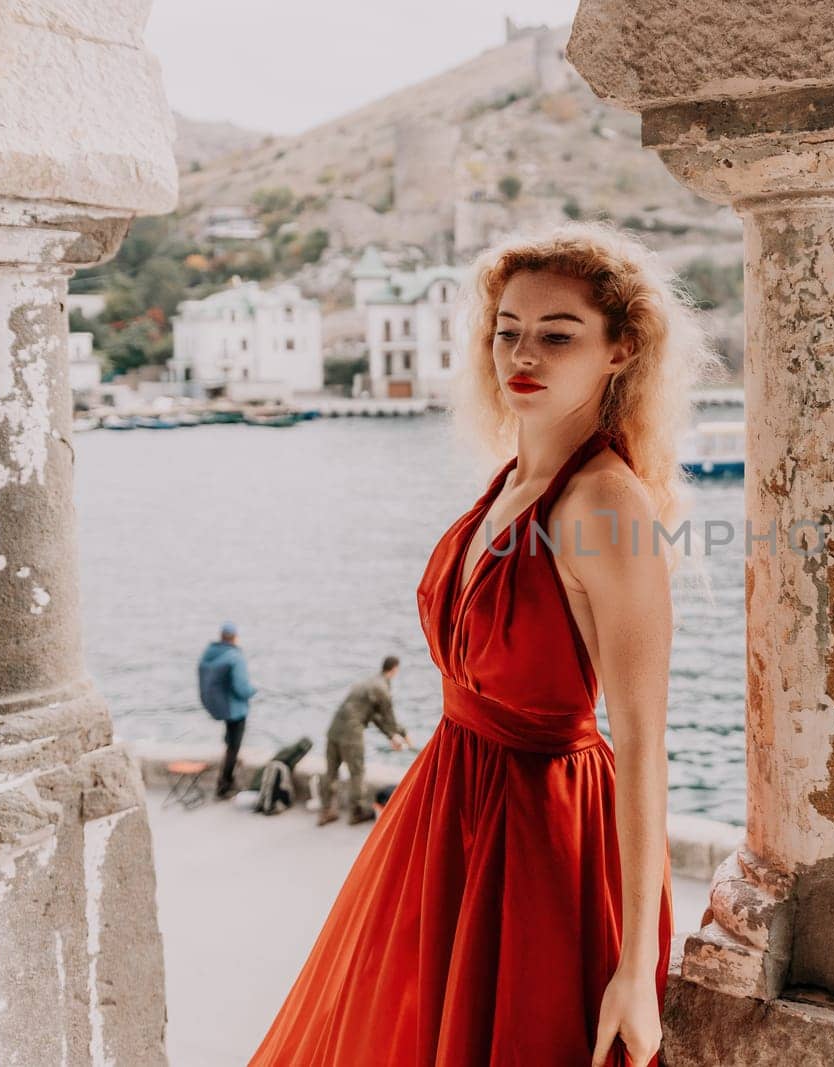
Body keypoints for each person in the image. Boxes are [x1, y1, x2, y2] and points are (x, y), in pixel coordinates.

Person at [249, 221, 719, 1067]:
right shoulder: (509, 479)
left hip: (537, 839)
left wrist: (636, 967)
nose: (521, 354)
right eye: (507, 330)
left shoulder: (606, 506)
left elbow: (645, 743)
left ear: (620, 352)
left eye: (557, 334)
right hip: (444, 808)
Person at [317, 656, 410, 827]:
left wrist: (391, 735)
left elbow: (374, 717)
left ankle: (326, 811)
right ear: (395, 669)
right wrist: (400, 734)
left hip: (334, 729)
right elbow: (389, 718)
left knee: (331, 771)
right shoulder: (382, 688)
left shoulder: (368, 682)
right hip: (351, 733)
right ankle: (356, 812)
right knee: (357, 772)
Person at [197, 620, 257, 799]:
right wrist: (252, 690)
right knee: (234, 746)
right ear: (235, 638)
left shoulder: (210, 654)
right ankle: (225, 784)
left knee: (229, 742)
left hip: (221, 707)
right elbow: (241, 688)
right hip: (235, 709)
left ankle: (226, 779)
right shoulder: (235, 657)